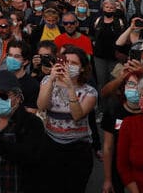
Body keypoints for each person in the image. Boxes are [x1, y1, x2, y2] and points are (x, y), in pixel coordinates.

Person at [36, 45, 98, 193]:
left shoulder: (89, 91)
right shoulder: (46, 81)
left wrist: (71, 88)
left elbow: (77, 115)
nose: (69, 66)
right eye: (66, 61)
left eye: (74, 63)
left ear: (82, 68)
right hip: (52, 144)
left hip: (78, 148)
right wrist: (51, 80)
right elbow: (42, 105)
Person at [100, 69, 143, 193]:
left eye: (139, 85)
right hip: (118, 166)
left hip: (142, 167)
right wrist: (108, 179)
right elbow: (108, 147)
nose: (135, 88)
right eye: (131, 84)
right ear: (123, 87)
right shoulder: (113, 111)